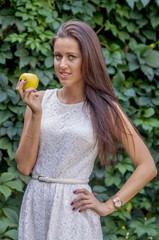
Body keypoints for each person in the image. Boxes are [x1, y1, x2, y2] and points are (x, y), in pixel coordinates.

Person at [15, 20, 157, 240]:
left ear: (88, 59)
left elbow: (147, 166)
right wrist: (36, 114)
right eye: (57, 56)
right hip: (36, 207)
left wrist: (110, 205)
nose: (62, 64)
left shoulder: (105, 108)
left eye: (71, 57)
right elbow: (24, 167)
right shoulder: (38, 100)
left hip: (74, 212)